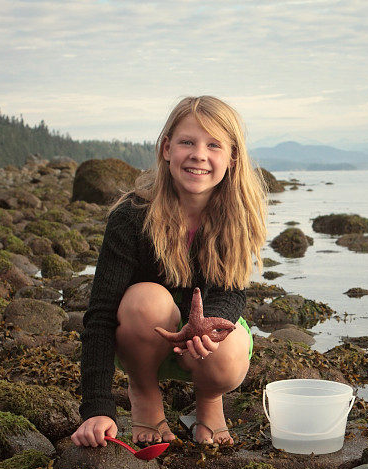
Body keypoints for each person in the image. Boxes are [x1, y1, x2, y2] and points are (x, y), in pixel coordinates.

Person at [70, 96, 266, 448]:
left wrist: (209, 324)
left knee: (230, 344)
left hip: (198, 349)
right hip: (141, 338)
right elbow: (99, 315)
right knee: (146, 298)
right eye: (187, 142)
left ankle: (208, 401)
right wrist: (96, 407)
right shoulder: (131, 216)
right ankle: (144, 393)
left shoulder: (236, 217)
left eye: (214, 145)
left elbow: (232, 291)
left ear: (233, 158)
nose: (199, 154)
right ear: (166, 148)